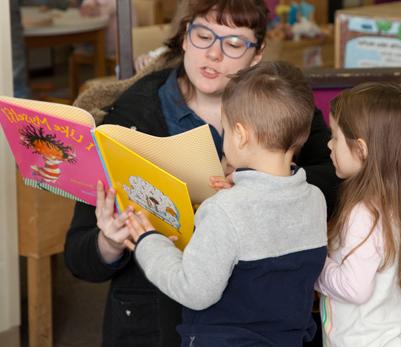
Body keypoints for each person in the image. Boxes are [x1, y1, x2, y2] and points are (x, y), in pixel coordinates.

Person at [64, 0, 339, 347]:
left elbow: (336, 177)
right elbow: (79, 256)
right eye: (203, 35)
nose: (214, 54)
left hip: (258, 324)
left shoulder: (282, 109)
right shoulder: (130, 116)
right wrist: (110, 244)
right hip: (153, 320)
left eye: (235, 43)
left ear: (257, 55)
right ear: (183, 37)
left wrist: (262, 187)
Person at [125, 60, 327, 346]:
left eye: (226, 127)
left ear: (241, 135)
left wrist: (148, 242)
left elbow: (194, 290)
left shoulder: (224, 210)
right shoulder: (314, 199)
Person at [315, 82, 401, 347]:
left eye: (335, 136)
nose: (329, 145)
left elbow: (354, 288)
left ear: (361, 149)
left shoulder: (364, 212)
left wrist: (315, 263)